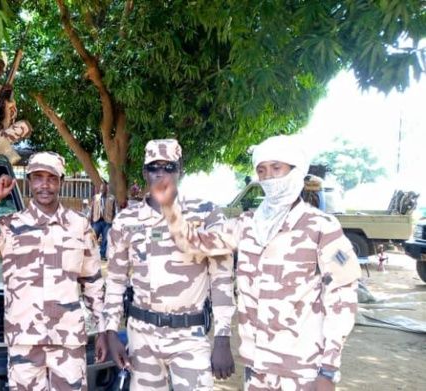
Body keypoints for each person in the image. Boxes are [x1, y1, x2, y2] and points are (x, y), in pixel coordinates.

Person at [152, 135, 361, 390]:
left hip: (302, 369)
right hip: (257, 367)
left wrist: (328, 371)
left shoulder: (321, 228)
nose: (269, 177)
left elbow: (341, 299)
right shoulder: (248, 225)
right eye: (262, 170)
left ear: (296, 171)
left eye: (277, 168)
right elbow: (193, 243)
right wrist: (170, 208)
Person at [0, 152, 107, 390]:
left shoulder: (79, 226)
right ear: (29, 181)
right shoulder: (10, 226)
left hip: (67, 341)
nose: (45, 184)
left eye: (51, 178)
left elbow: (93, 282)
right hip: (24, 342)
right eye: (38, 177)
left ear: (61, 181)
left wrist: (103, 330)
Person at [101, 139, 235, 391]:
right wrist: (110, 330)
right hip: (142, 337)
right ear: (144, 172)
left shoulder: (205, 214)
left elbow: (221, 278)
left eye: (169, 167)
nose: (160, 173)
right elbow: (116, 279)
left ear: (180, 169)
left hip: (190, 336)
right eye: (153, 167)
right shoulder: (126, 220)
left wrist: (223, 337)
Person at [89, 181, 116, 259]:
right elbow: (92, 209)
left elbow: (114, 211)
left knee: (105, 239)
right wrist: (91, 221)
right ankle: (92, 254)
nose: (103, 189)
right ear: (100, 188)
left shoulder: (112, 198)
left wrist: (113, 221)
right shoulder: (95, 197)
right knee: (93, 238)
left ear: (107, 189)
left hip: (107, 221)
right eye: (102, 187)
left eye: (105, 187)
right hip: (96, 221)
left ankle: (102, 255)